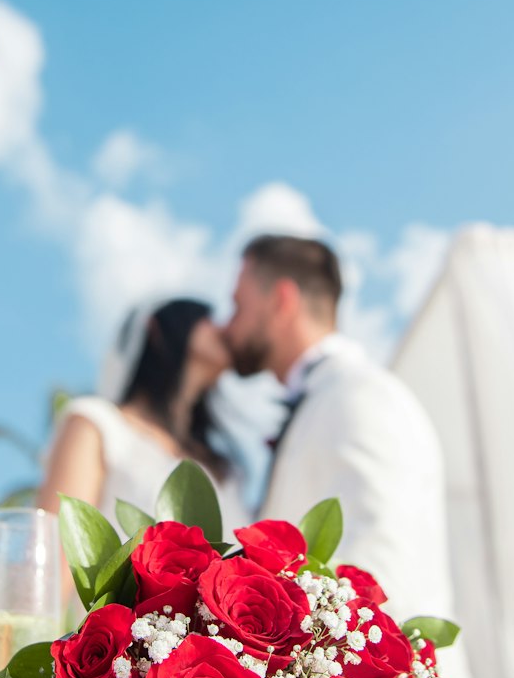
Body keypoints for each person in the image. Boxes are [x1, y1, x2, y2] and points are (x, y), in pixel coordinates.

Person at [222, 233, 454, 626]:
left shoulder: (361, 395)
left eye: (239, 305)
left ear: (282, 300)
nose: (229, 326)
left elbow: (384, 563)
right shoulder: (329, 398)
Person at [38, 298, 244, 533]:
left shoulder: (225, 469)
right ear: (156, 330)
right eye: (204, 319)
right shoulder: (98, 424)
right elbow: (59, 546)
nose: (222, 329)